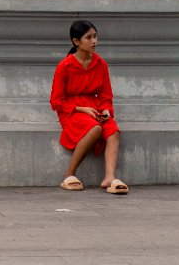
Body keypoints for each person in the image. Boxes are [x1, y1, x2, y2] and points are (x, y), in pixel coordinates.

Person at [49, 19, 128, 193]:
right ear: (76, 42)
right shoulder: (65, 66)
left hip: (95, 108)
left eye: (95, 36)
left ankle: (109, 177)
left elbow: (106, 96)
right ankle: (69, 174)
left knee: (112, 130)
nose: (94, 41)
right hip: (71, 111)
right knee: (94, 128)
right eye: (89, 38)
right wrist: (81, 109)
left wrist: (106, 110)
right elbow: (56, 101)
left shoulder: (101, 64)